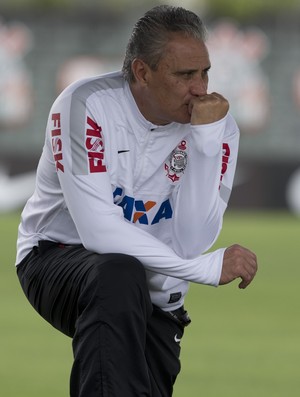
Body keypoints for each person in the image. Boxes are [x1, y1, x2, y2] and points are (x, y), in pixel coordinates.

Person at [15, 5, 258, 397]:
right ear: (143, 72)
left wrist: (206, 143)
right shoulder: (86, 105)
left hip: (159, 286)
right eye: (184, 75)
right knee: (117, 272)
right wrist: (204, 269)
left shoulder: (218, 126)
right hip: (56, 256)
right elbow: (99, 232)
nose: (201, 89)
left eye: (205, 72)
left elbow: (193, 237)